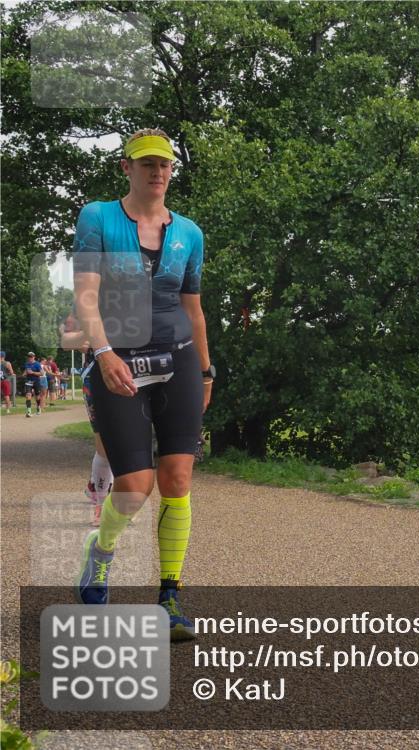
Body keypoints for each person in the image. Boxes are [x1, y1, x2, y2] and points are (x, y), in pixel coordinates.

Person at [73, 128, 212, 641]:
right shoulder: (98, 217)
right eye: (147, 163)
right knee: (134, 487)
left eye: (165, 164)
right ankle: (101, 552)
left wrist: (206, 369)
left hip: (179, 361)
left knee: (178, 478)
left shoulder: (189, 233)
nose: (158, 172)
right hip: (119, 361)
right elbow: (86, 295)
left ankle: (169, 596)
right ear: (126, 168)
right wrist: (104, 353)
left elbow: (193, 308)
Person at [61, 313, 115, 526]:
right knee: (104, 446)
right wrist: (90, 336)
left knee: (130, 443)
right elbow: (67, 340)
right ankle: (101, 505)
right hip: (96, 375)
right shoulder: (85, 304)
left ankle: (121, 502)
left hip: (135, 371)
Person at [22, 352, 43, 416]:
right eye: (29, 357)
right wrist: (24, 374)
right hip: (28, 381)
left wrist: (33, 372)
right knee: (28, 395)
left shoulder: (37, 364)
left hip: (36, 381)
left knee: (37, 396)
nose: (30, 358)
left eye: (31, 357)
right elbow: (26, 371)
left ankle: (38, 407)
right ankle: (29, 411)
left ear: (34, 357)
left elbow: (41, 373)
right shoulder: (27, 364)